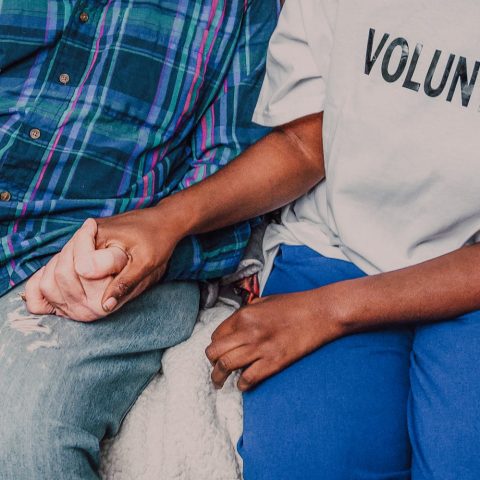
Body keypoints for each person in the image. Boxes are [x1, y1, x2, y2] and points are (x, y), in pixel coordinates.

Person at [42, 0, 480, 478]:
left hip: (463, 276)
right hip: (330, 251)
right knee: (307, 463)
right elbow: (304, 145)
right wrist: (167, 221)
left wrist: (328, 310)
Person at [0, 1, 278, 478]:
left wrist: (145, 247)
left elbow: (229, 170)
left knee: (24, 440)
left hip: (99, 253)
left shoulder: (243, 10)